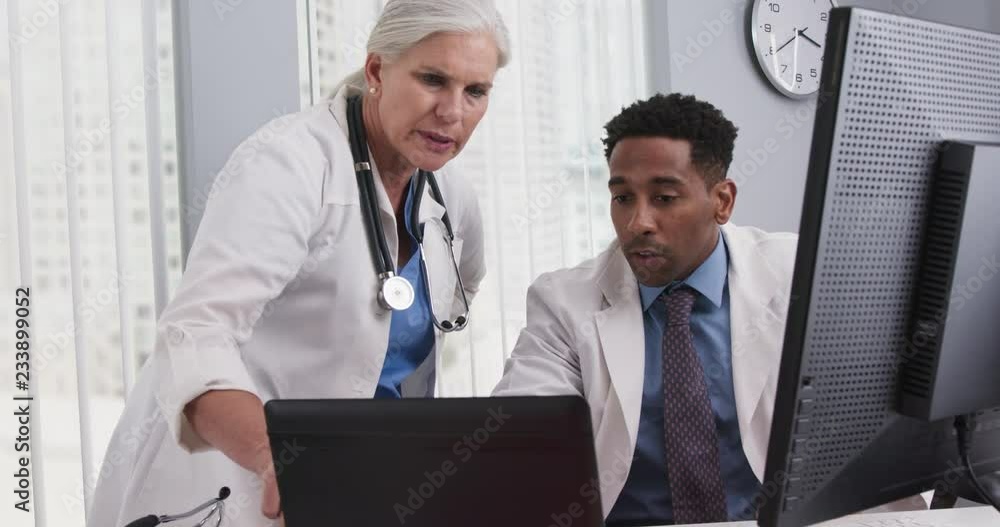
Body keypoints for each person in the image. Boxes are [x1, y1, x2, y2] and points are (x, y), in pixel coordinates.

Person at [88, 1, 510, 525]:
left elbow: (458, 292)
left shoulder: (453, 198)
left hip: (358, 480)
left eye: (475, 91)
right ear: (377, 70)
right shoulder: (289, 164)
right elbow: (197, 332)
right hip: (230, 477)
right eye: (432, 79)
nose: (452, 112)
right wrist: (275, 459)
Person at [492, 93, 926, 524]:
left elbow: (869, 436)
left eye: (664, 198)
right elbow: (523, 440)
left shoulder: (803, 278)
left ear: (722, 201)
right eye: (622, 197)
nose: (638, 223)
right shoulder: (564, 301)